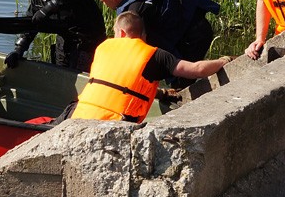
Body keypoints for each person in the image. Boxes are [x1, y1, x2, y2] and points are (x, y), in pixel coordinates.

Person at [70, 12, 231, 123]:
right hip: (118, 122)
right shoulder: (155, 55)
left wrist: (160, 94)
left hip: (80, 115)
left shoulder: (103, 48)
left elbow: (116, 85)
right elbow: (197, 70)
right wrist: (224, 60)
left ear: (122, 32)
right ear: (142, 34)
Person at [95, 0, 219, 63]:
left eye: (103, 1)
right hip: (197, 22)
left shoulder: (134, 15)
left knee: (181, 79)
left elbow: (135, 49)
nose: (104, 5)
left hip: (195, 36)